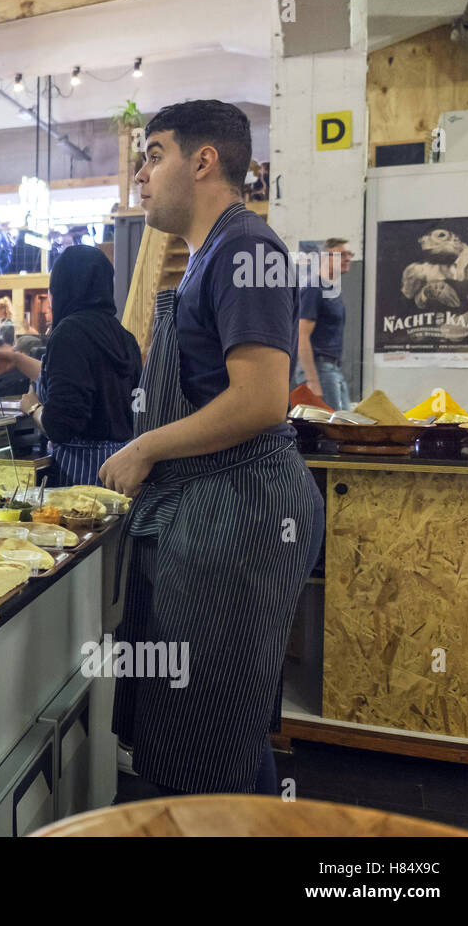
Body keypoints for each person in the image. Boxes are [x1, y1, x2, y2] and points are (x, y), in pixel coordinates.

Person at [98, 99, 324, 799]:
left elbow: (261, 398)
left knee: (206, 732)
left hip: (241, 510)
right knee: (216, 724)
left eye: (154, 153)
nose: (139, 174)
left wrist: (146, 448)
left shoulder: (246, 249)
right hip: (213, 505)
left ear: (203, 161)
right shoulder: (206, 256)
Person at [0, 246, 142, 485]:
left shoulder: (69, 333)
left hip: (82, 477)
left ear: (61, 287)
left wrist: (32, 407)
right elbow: (76, 379)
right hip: (120, 472)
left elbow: (60, 425)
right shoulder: (122, 336)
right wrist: (16, 359)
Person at [295, 238, 353, 410]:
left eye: (350, 254)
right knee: (333, 429)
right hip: (319, 369)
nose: (348, 258)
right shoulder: (314, 289)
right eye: (342, 254)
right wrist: (311, 380)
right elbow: (301, 335)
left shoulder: (332, 290)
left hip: (333, 369)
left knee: (345, 423)